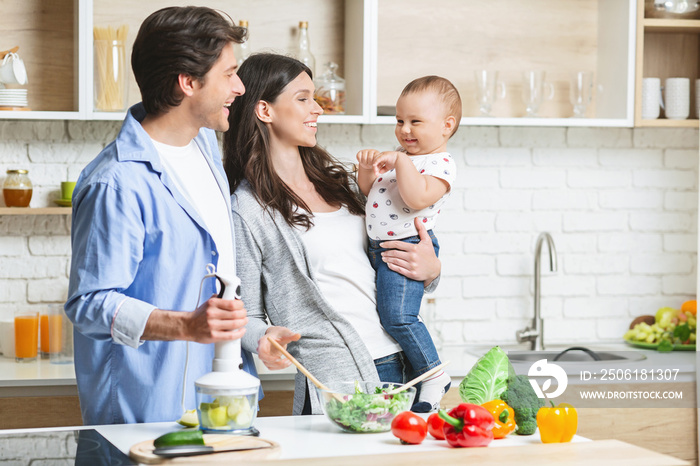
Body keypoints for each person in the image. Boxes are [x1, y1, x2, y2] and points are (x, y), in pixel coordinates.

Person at [65, 6, 259, 425]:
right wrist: (187, 326)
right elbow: (89, 304)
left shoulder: (205, 148)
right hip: (147, 414)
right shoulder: (116, 182)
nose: (240, 87)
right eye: (229, 74)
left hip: (221, 397)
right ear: (188, 82)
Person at [223, 53, 442, 415]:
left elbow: (392, 258)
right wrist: (263, 339)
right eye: (303, 98)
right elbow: (245, 315)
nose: (318, 109)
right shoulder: (248, 209)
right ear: (265, 110)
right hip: (337, 378)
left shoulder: (340, 183)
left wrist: (431, 271)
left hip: (407, 365)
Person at [355, 76, 461, 411]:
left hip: (408, 247)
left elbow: (415, 198)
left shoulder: (440, 165)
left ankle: (433, 374)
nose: (405, 129)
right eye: (399, 121)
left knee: (399, 317)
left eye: (416, 121)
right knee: (389, 316)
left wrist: (400, 162)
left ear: (447, 126)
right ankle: (421, 373)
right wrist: (367, 171)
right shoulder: (403, 156)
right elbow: (371, 193)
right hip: (382, 249)